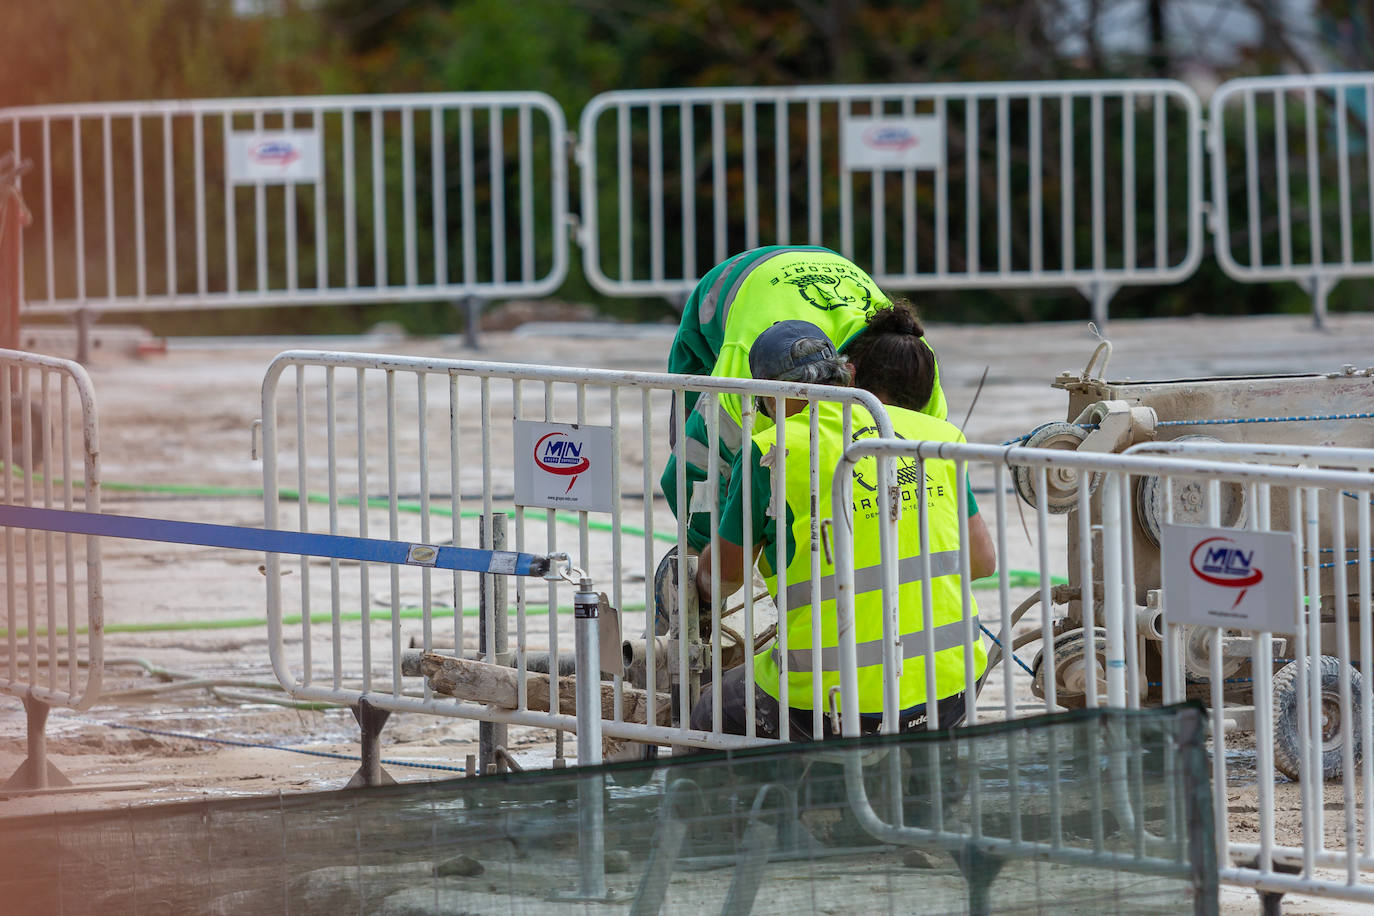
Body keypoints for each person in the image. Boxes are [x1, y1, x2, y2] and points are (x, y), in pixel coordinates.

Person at [689, 307, 995, 740]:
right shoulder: (939, 435)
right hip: (953, 683)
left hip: (829, 700)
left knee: (706, 715)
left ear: (764, 395)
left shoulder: (771, 450)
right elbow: (983, 563)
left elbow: (723, 575)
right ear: (845, 375)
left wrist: (695, 583)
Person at [660, 245, 949, 555]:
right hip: (733, 285)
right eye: (871, 417)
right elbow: (694, 470)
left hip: (824, 271)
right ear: (848, 378)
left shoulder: (918, 365)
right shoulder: (749, 370)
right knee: (713, 454)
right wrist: (710, 561)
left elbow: (933, 479)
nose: (875, 429)